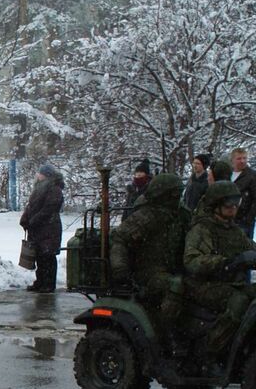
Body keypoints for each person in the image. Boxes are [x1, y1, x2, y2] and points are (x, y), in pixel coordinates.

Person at [183, 181, 256, 361]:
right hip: (203, 285)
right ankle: (213, 349)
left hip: (230, 283)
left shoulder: (233, 229)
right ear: (216, 205)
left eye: (236, 203)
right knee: (238, 302)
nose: (233, 208)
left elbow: (250, 248)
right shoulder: (202, 228)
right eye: (228, 204)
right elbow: (192, 261)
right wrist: (228, 262)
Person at [109, 173, 190, 312]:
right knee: (175, 286)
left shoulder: (181, 214)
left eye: (179, 194)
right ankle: (164, 328)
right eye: (175, 194)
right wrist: (120, 270)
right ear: (164, 195)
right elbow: (119, 238)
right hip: (148, 272)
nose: (178, 198)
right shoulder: (147, 216)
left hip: (175, 268)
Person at [19, 162, 64, 293]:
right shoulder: (39, 188)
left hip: (49, 228)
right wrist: (25, 219)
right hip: (39, 228)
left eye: (40, 173)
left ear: (46, 175)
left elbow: (49, 209)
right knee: (39, 255)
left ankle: (48, 284)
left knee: (47, 256)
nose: (37, 175)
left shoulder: (54, 189)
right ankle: (40, 282)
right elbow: (31, 206)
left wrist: (34, 220)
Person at [230, 147, 256, 238]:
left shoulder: (252, 176)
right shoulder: (228, 174)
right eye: (239, 158)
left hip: (244, 221)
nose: (242, 161)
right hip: (227, 218)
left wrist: (248, 219)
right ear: (232, 160)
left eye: (244, 158)